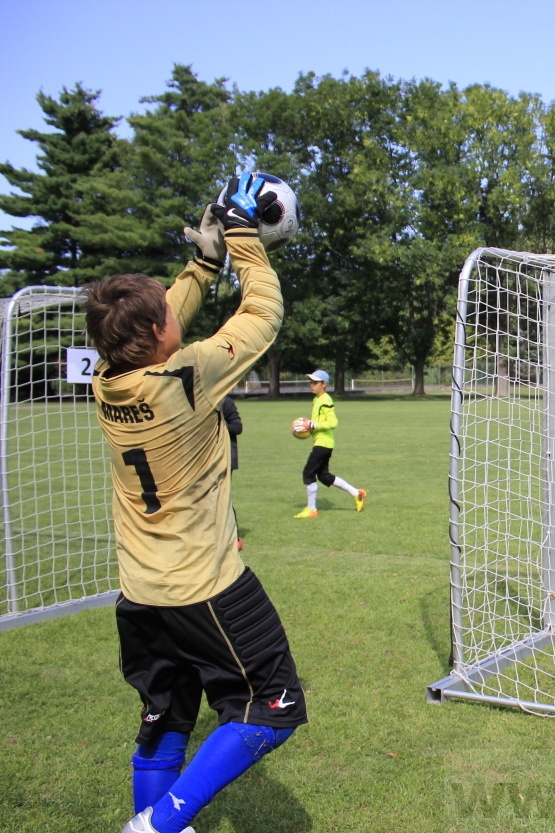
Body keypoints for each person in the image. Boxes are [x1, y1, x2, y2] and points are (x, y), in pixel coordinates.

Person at [85, 174, 307, 833]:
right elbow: (262, 313)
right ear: (160, 331)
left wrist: (201, 265)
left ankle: (149, 821)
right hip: (204, 587)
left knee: (166, 719)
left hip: (139, 591)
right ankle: (158, 825)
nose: (175, 317)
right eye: (167, 315)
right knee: (272, 708)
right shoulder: (184, 377)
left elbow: (159, 318)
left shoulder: (107, 378)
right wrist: (241, 239)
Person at [293, 369, 366, 518]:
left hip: (323, 443)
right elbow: (317, 423)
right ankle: (357, 494)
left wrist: (312, 425)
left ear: (324, 384)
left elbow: (333, 423)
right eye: (311, 382)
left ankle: (311, 510)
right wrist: (305, 429)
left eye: (315, 382)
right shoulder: (317, 400)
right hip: (322, 442)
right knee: (324, 476)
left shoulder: (326, 400)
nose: (311, 385)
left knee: (308, 473)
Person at [221, 395, 243, 550]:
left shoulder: (225, 401)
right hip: (203, 460)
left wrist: (217, 426)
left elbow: (237, 427)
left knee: (223, 498)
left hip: (225, 458)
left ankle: (234, 537)